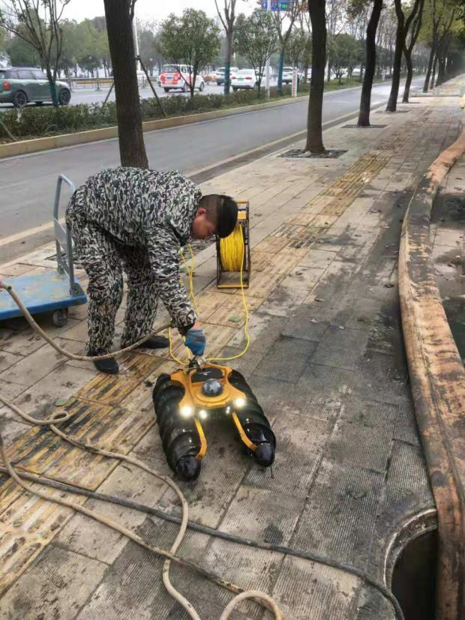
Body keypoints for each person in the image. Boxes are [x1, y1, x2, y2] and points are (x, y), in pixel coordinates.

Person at [66, 167, 238, 375]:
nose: (206, 238)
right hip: (90, 217)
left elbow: (159, 272)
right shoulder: (167, 220)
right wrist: (190, 323)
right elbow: (167, 278)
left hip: (128, 223)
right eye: (209, 231)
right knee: (108, 285)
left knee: (146, 276)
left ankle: (136, 336)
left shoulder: (191, 199)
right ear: (201, 213)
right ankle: (99, 348)